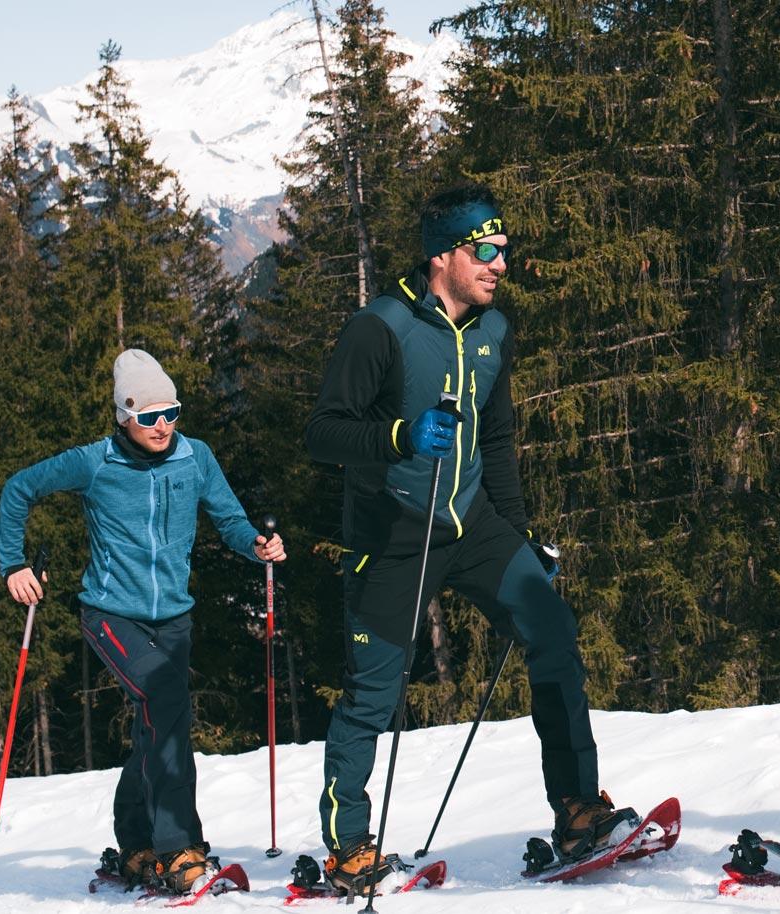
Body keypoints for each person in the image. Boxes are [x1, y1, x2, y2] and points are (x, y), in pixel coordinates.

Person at [305, 184, 630, 895]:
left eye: (504, 250)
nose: (499, 265)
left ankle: (577, 809)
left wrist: (517, 536)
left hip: (473, 521)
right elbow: (322, 432)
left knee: (552, 631)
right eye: (486, 250)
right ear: (443, 255)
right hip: (394, 533)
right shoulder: (381, 327)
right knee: (372, 693)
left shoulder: (493, 332)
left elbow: (501, 436)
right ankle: (348, 849)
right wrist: (398, 436)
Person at [0, 348, 285, 894]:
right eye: (148, 416)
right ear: (123, 418)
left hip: (174, 618)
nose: (162, 426)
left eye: (171, 412)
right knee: (167, 701)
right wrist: (13, 564)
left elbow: (229, 520)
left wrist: (257, 546)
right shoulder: (95, 461)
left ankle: (136, 843)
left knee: (158, 724)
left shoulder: (195, 457)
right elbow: (19, 490)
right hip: (110, 614)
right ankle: (179, 849)